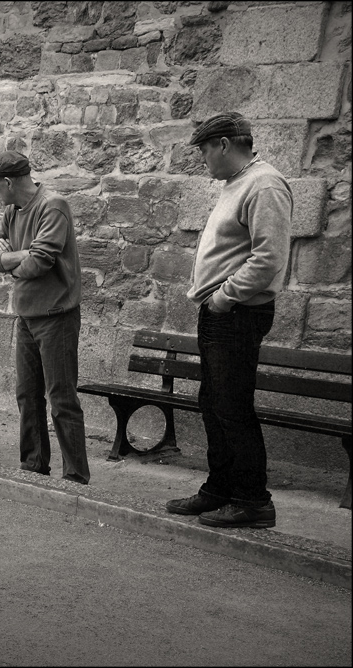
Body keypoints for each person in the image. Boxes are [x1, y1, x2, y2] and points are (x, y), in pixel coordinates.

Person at [166, 112, 292, 529]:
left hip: (237, 312)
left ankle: (254, 501)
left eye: (203, 149)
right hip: (221, 312)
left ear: (223, 144)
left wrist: (223, 297)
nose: (202, 158)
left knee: (233, 407)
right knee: (214, 404)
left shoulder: (264, 183)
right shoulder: (237, 184)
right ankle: (219, 490)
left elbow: (268, 257)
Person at [0, 151, 91, 485]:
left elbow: (39, 263)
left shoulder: (53, 206)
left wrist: (12, 259)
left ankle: (75, 475)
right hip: (26, 314)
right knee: (26, 394)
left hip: (56, 314)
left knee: (61, 397)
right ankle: (34, 465)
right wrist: (19, 256)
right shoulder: (11, 210)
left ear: (8, 182)